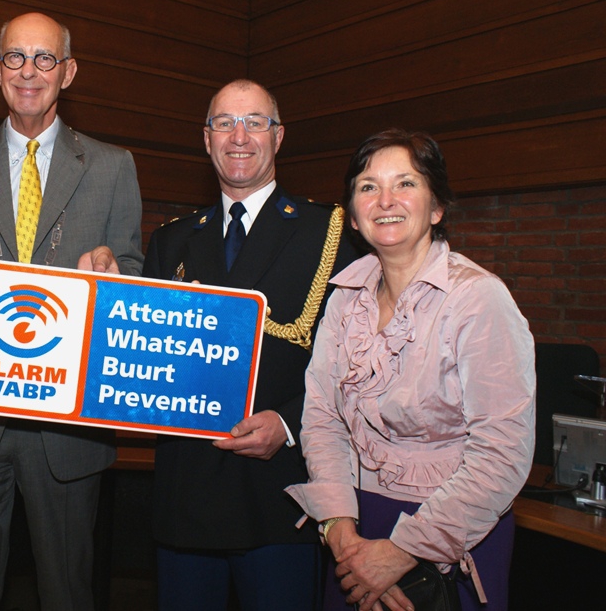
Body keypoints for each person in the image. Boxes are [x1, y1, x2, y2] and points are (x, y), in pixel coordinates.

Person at [0, 11, 144, 610]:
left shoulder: (113, 166)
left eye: (45, 59)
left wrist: (115, 279)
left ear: (68, 72)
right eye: (15, 57)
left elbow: (134, 274)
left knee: (69, 594)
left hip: (67, 427)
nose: (29, 71)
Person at [286, 129, 536, 611]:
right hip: (356, 527)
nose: (385, 200)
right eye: (367, 187)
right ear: (354, 217)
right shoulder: (342, 300)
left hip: (456, 531)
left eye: (405, 183)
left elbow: (503, 453)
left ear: (437, 207)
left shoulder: (479, 299)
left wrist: (402, 551)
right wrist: (338, 527)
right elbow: (322, 418)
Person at [142, 79, 359, 610]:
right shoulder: (171, 239)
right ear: (206, 139)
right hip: (186, 497)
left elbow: (354, 364)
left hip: (278, 496)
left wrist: (288, 423)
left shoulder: (329, 230)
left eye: (255, 122)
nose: (239, 136)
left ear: (278, 136)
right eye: (224, 123)